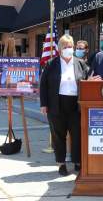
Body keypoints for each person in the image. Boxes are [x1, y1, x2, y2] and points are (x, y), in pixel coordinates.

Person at [40, 34, 88, 176]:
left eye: (70, 46)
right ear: (60, 49)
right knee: (58, 135)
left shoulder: (80, 63)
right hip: (56, 104)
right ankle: (61, 164)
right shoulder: (51, 64)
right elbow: (43, 85)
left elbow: (88, 79)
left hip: (76, 105)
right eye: (65, 46)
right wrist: (44, 104)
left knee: (77, 134)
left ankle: (77, 161)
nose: (68, 49)